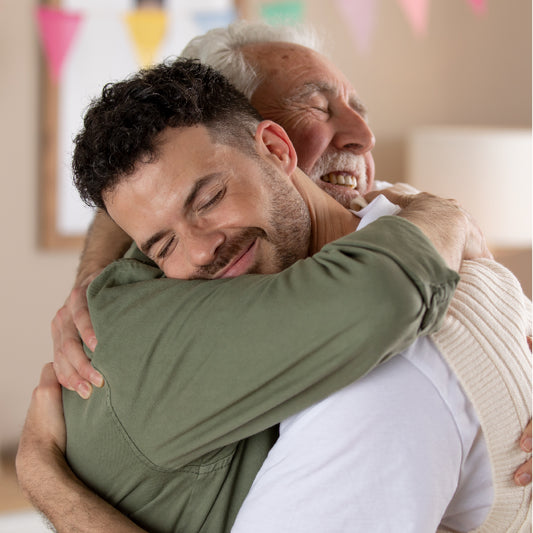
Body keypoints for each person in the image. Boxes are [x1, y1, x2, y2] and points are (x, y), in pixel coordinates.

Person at [16, 58, 530, 533]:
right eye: (163, 245)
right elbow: (381, 294)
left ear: (277, 150)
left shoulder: (382, 351)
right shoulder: (144, 333)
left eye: (210, 199)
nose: (199, 252)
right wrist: (42, 477)